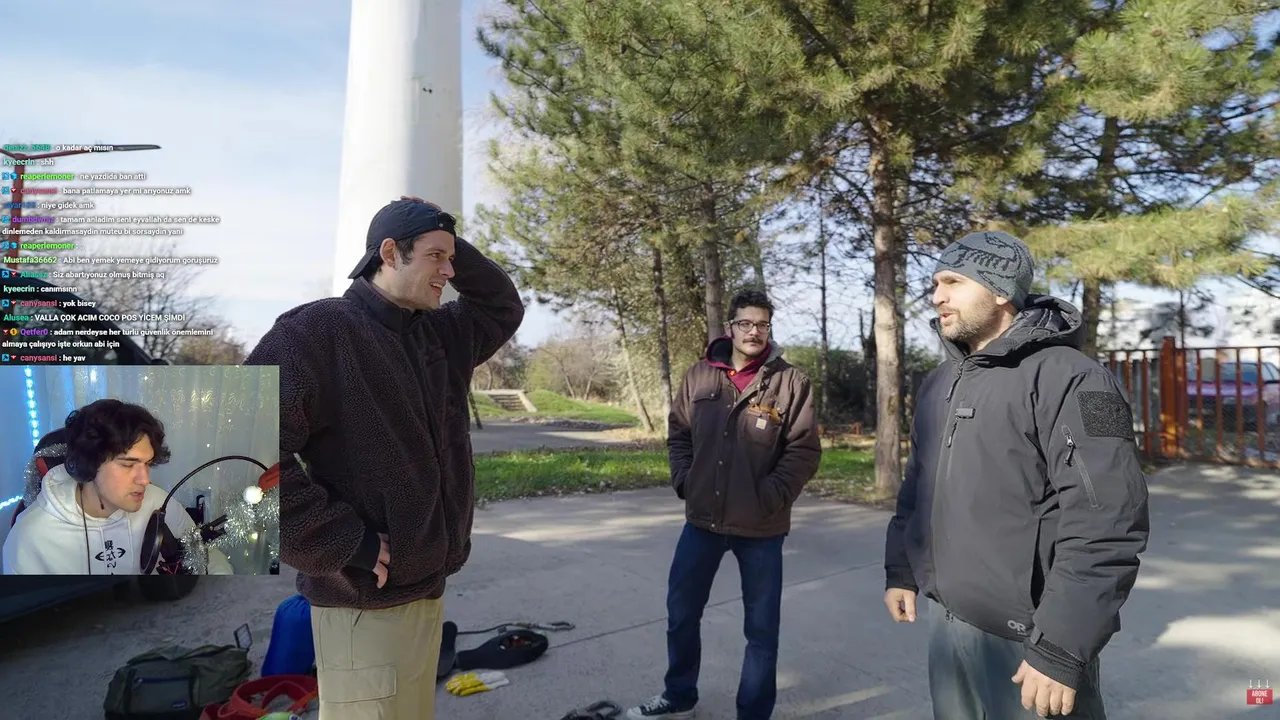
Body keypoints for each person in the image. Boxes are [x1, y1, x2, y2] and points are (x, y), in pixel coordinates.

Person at [244, 196, 524, 720]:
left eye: (452, 259)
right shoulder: (318, 331)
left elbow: (501, 306)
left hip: (427, 591)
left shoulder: (439, 332)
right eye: (436, 257)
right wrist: (341, 541)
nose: (449, 272)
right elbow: (232, 447)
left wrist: (445, 235)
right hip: (361, 605)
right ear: (390, 253)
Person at [883, 231, 1150, 719]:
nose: (937, 295)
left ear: (1001, 290)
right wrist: (901, 569)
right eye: (936, 283)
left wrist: (1062, 645)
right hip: (948, 624)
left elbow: (1109, 521)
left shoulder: (1075, 378)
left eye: (953, 282)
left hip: (1031, 641)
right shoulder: (941, 381)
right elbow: (918, 485)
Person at [627, 290, 822, 720]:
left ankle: (753, 714)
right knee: (681, 614)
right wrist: (685, 481)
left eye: (763, 324)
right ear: (730, 327)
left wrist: (769, 497)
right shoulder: (699, 376)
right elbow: (679, 434)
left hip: (762, 527)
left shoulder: (791, 383)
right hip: (702, 521)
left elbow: (804, 452)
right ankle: (679, 697)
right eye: (746, 323)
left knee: (762, 631)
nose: (754, 332)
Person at [3, 398, 233, 575]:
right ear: (88, 465)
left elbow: (206, 554)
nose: (145, 480)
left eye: (147, 464)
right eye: (128, 465)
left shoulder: (158, 502)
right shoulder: (31, 539)